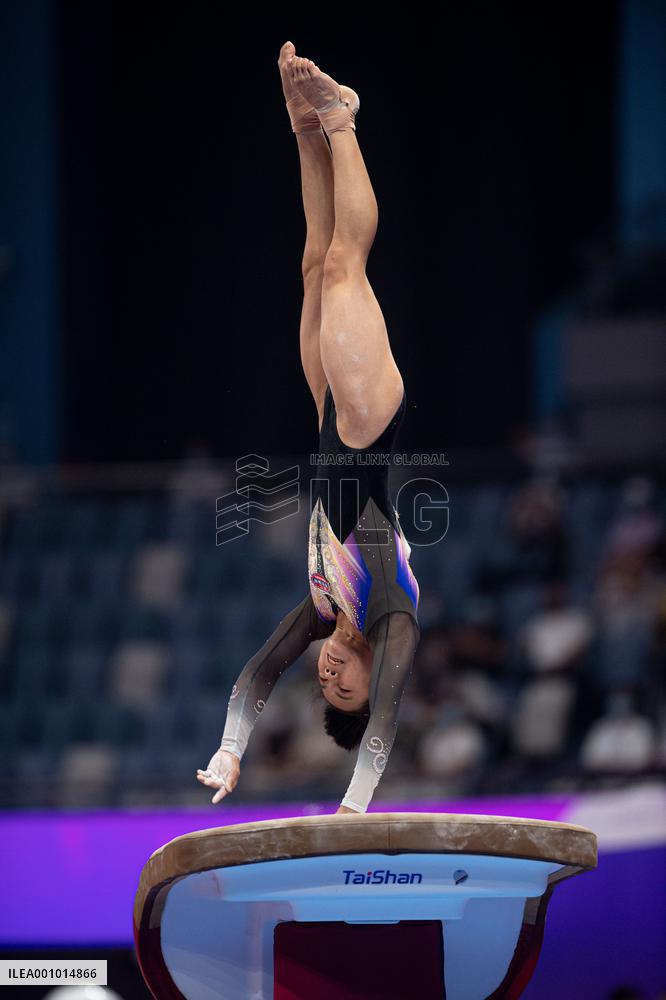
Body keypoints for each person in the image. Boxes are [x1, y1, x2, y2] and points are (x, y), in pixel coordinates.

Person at [196, 42, 420, 814]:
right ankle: (343, 121)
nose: (330, 677)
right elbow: (386, 720)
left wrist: (230, 753)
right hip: (368, 421)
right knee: (345, 267)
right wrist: (355, 805)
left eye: (326, 684)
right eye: (344, 687)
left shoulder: (327, 608)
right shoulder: (390, 611)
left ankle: (303, 130)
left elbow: (258, 674)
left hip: (329, 413)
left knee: (312, 265)